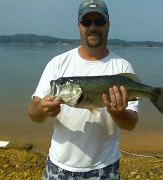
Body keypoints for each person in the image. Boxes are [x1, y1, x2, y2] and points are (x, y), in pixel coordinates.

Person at [27, 0, 139, 179]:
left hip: (105, 167)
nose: (93, 27)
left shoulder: (122, 67)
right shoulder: (58, 64)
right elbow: (33, 113)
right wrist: (42, 108)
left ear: (108, 25)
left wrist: (117, 112)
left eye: (99, 22)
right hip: (59, 166)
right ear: (79, 25)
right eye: (87, 22)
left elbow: (131, 124)